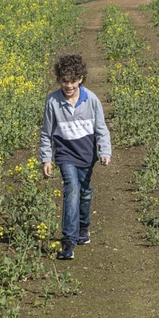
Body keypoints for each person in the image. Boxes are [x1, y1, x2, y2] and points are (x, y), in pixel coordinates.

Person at [40, 53, 111, 260]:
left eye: (72, 81)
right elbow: (46, 132)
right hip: (65, 154)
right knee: (71, 189)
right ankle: (68, 240)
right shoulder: (52, 102)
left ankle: (83, 228)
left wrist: (104, 151)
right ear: (58, 80)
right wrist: (46, 158)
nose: (68, 85)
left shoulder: (91, 100)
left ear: (80, 79)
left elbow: (101, 128)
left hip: (87, 155)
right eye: (64, 81)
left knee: (85, 192)